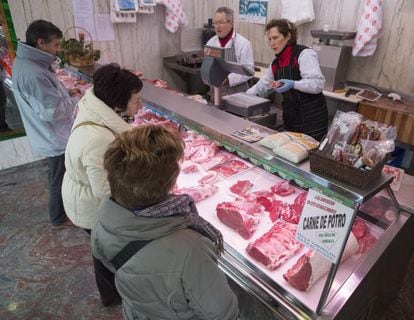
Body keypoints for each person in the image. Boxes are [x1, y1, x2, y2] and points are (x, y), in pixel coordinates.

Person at [91, 125, 239, 320]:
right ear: (169, 183)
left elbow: (109, 262)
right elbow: (221, 313)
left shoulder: (104, 217)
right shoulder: (191, 248)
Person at [62, 63, 143, 306]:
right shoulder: (98, 139)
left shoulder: (96, 109)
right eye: (136, 100)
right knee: (106, 252)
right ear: (117, 104)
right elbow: (107, 194)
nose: (140, 106)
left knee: (101, 250)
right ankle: (113, 296)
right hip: (90, 206)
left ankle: (110, 293)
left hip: (80, 190)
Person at [12, 20, 82, 227]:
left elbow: (44, 99)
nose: (58, 49)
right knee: (58, 178)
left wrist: (65, 93)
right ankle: (58, 217)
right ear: (40, 42)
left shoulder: (28, 63)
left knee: (58, 175)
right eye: (55, 45)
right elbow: (53, 112)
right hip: (54, 137)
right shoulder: (33, 72)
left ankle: (61, 213)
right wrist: (77, 100)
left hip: (49, 134)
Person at [247, 19, 328, 141]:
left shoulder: (304, 54)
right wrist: (242, 98)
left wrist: (293, 84)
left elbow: (317, 84)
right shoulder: (276, 63)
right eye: (269, 39)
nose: (272, 43)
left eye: (275, 38)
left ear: (288, 36)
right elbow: (263, 85)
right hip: (291, 120)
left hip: (312, 121)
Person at [206, 6, 254, 95]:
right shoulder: (211, 42)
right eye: (215, 23)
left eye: (221, 22)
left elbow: (249, 70)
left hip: (238, 91)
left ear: (231, 23)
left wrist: (229, 79)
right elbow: (207, 66)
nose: (217, 26)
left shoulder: (243, 43)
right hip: (216, 90)